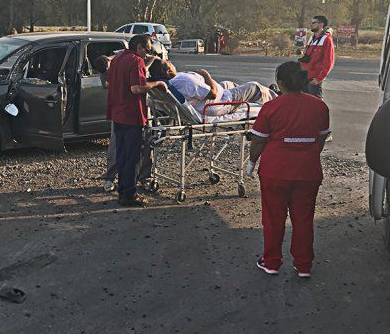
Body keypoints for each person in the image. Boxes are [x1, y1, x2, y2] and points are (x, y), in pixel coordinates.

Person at [245, 61, 330, 278]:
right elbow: (320, 139)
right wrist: (308, 155)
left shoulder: (271, 107)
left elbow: (258, 141)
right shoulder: (319, 106)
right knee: (303, 218)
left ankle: (272, 262)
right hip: (308, 171)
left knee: (273, 218)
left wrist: (252, 162)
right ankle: (303, 265)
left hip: (275, 171)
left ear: (280, 83)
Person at [106, 34, 167, 207]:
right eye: (146, 50)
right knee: (133, 157)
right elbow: (136, 88)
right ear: (139, 47)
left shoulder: (117, 59)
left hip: (117, 113)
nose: (146, 54)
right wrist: (157, 84)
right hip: (132, 115)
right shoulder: (136, 61)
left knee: (122, 155)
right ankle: (129, 195)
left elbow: (109, 83)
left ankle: (122, 191)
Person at [96, 54, 155, 193]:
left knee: (145, 144)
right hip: (123, 112)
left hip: (137, 111)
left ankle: (144, 176)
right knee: (120, 148)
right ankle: (113, 179)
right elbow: (112, 84)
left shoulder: (121, 61)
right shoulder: (111, 69)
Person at [148, 59, 277, 116]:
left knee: (229, 84)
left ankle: (271, 92)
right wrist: (206, 74)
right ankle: (278, 99)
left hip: (216, 95)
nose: (171, 62)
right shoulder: (186, 82)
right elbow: (212, 94)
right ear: (168, 72)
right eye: (168, 63)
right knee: (253, 87)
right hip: (219, 102)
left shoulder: (170, 81)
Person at [299, 15, 335, 98]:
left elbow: (329, 62)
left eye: (314, 23)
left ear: (321, 24)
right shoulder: (311, 38)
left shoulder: (326, 39)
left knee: (316, 103)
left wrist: (319, 79)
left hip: (314, 79)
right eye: (311, 23)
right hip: (304, 76)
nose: (311, 25)